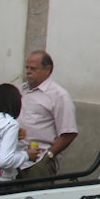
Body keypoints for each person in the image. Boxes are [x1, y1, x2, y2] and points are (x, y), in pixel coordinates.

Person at [18, 51, 78, 179]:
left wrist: (49, 156)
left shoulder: (59, 95)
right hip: (16, 160)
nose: (28, 72)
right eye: (27, 68)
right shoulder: (21, 90)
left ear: (47, 70)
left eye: (33, 68)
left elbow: (69, 132)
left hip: (39, 162)